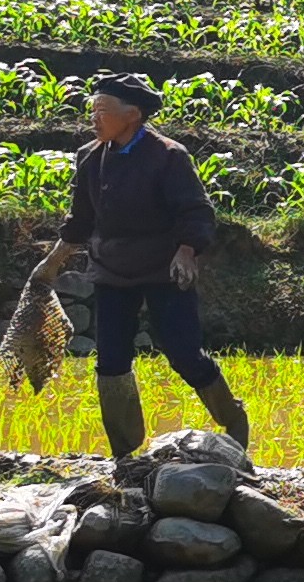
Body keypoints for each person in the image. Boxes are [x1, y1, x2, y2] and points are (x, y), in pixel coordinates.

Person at [50, 73, 252, 466]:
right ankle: (125, 452)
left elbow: (195, 210)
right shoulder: (90, 157)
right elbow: (81, 218)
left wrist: (186, 251)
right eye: (93, 110)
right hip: (111, 269)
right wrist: (53, 261)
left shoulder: (168, 156)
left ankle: (233, 422)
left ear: (133, 115)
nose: (94, 118)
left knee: (184, 353)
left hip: (163, 269)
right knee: (110, 361)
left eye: (102, 111)